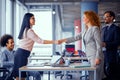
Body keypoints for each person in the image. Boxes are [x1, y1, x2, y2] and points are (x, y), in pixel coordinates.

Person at [56, 10, 104, 80]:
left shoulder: (95, 29)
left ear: (89, 18)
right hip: (90, 56)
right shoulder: (85, 30)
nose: (83, 19)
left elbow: (99, 45)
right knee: (91, 76)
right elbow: (75, 37)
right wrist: (63, 40)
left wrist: (98, 57)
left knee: (96, 77)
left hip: (95, 56)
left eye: (84, 17)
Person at [13, 13, 55, 80]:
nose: (34, 20)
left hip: (21, 54)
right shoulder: (29, 31)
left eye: (34, 18)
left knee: (20, 77)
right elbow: (41, 41)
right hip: (21, 54)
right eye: (32, 18)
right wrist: (54, 42)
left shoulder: (25, 30)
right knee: (20, 77)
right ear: (27, 19)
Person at [101, 11, 120, 80]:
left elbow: (117, 42)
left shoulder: (116, 29)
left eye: (106, 16)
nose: (104, 18)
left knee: (112, 74)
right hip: (103, 54)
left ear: (112, 18)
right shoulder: (103, 29)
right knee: (104, 73)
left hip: (112, 55)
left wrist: (106, 44)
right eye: (104, 17)